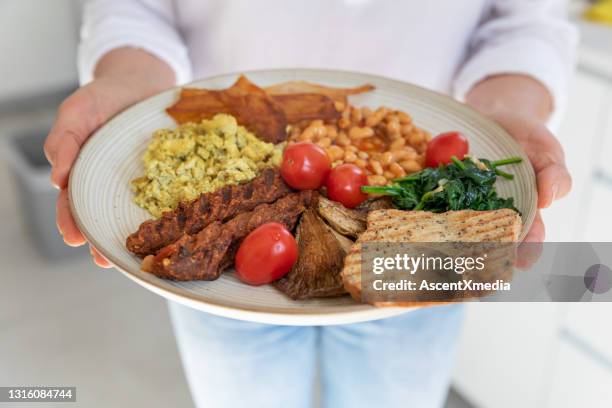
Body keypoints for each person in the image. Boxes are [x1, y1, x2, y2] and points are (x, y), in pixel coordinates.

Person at [44, 1, 577, 407]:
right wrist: (128, 79)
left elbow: (526, 22)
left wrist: (505, 110)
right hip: (226, 286)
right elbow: (134, 9)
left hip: (416, 253)